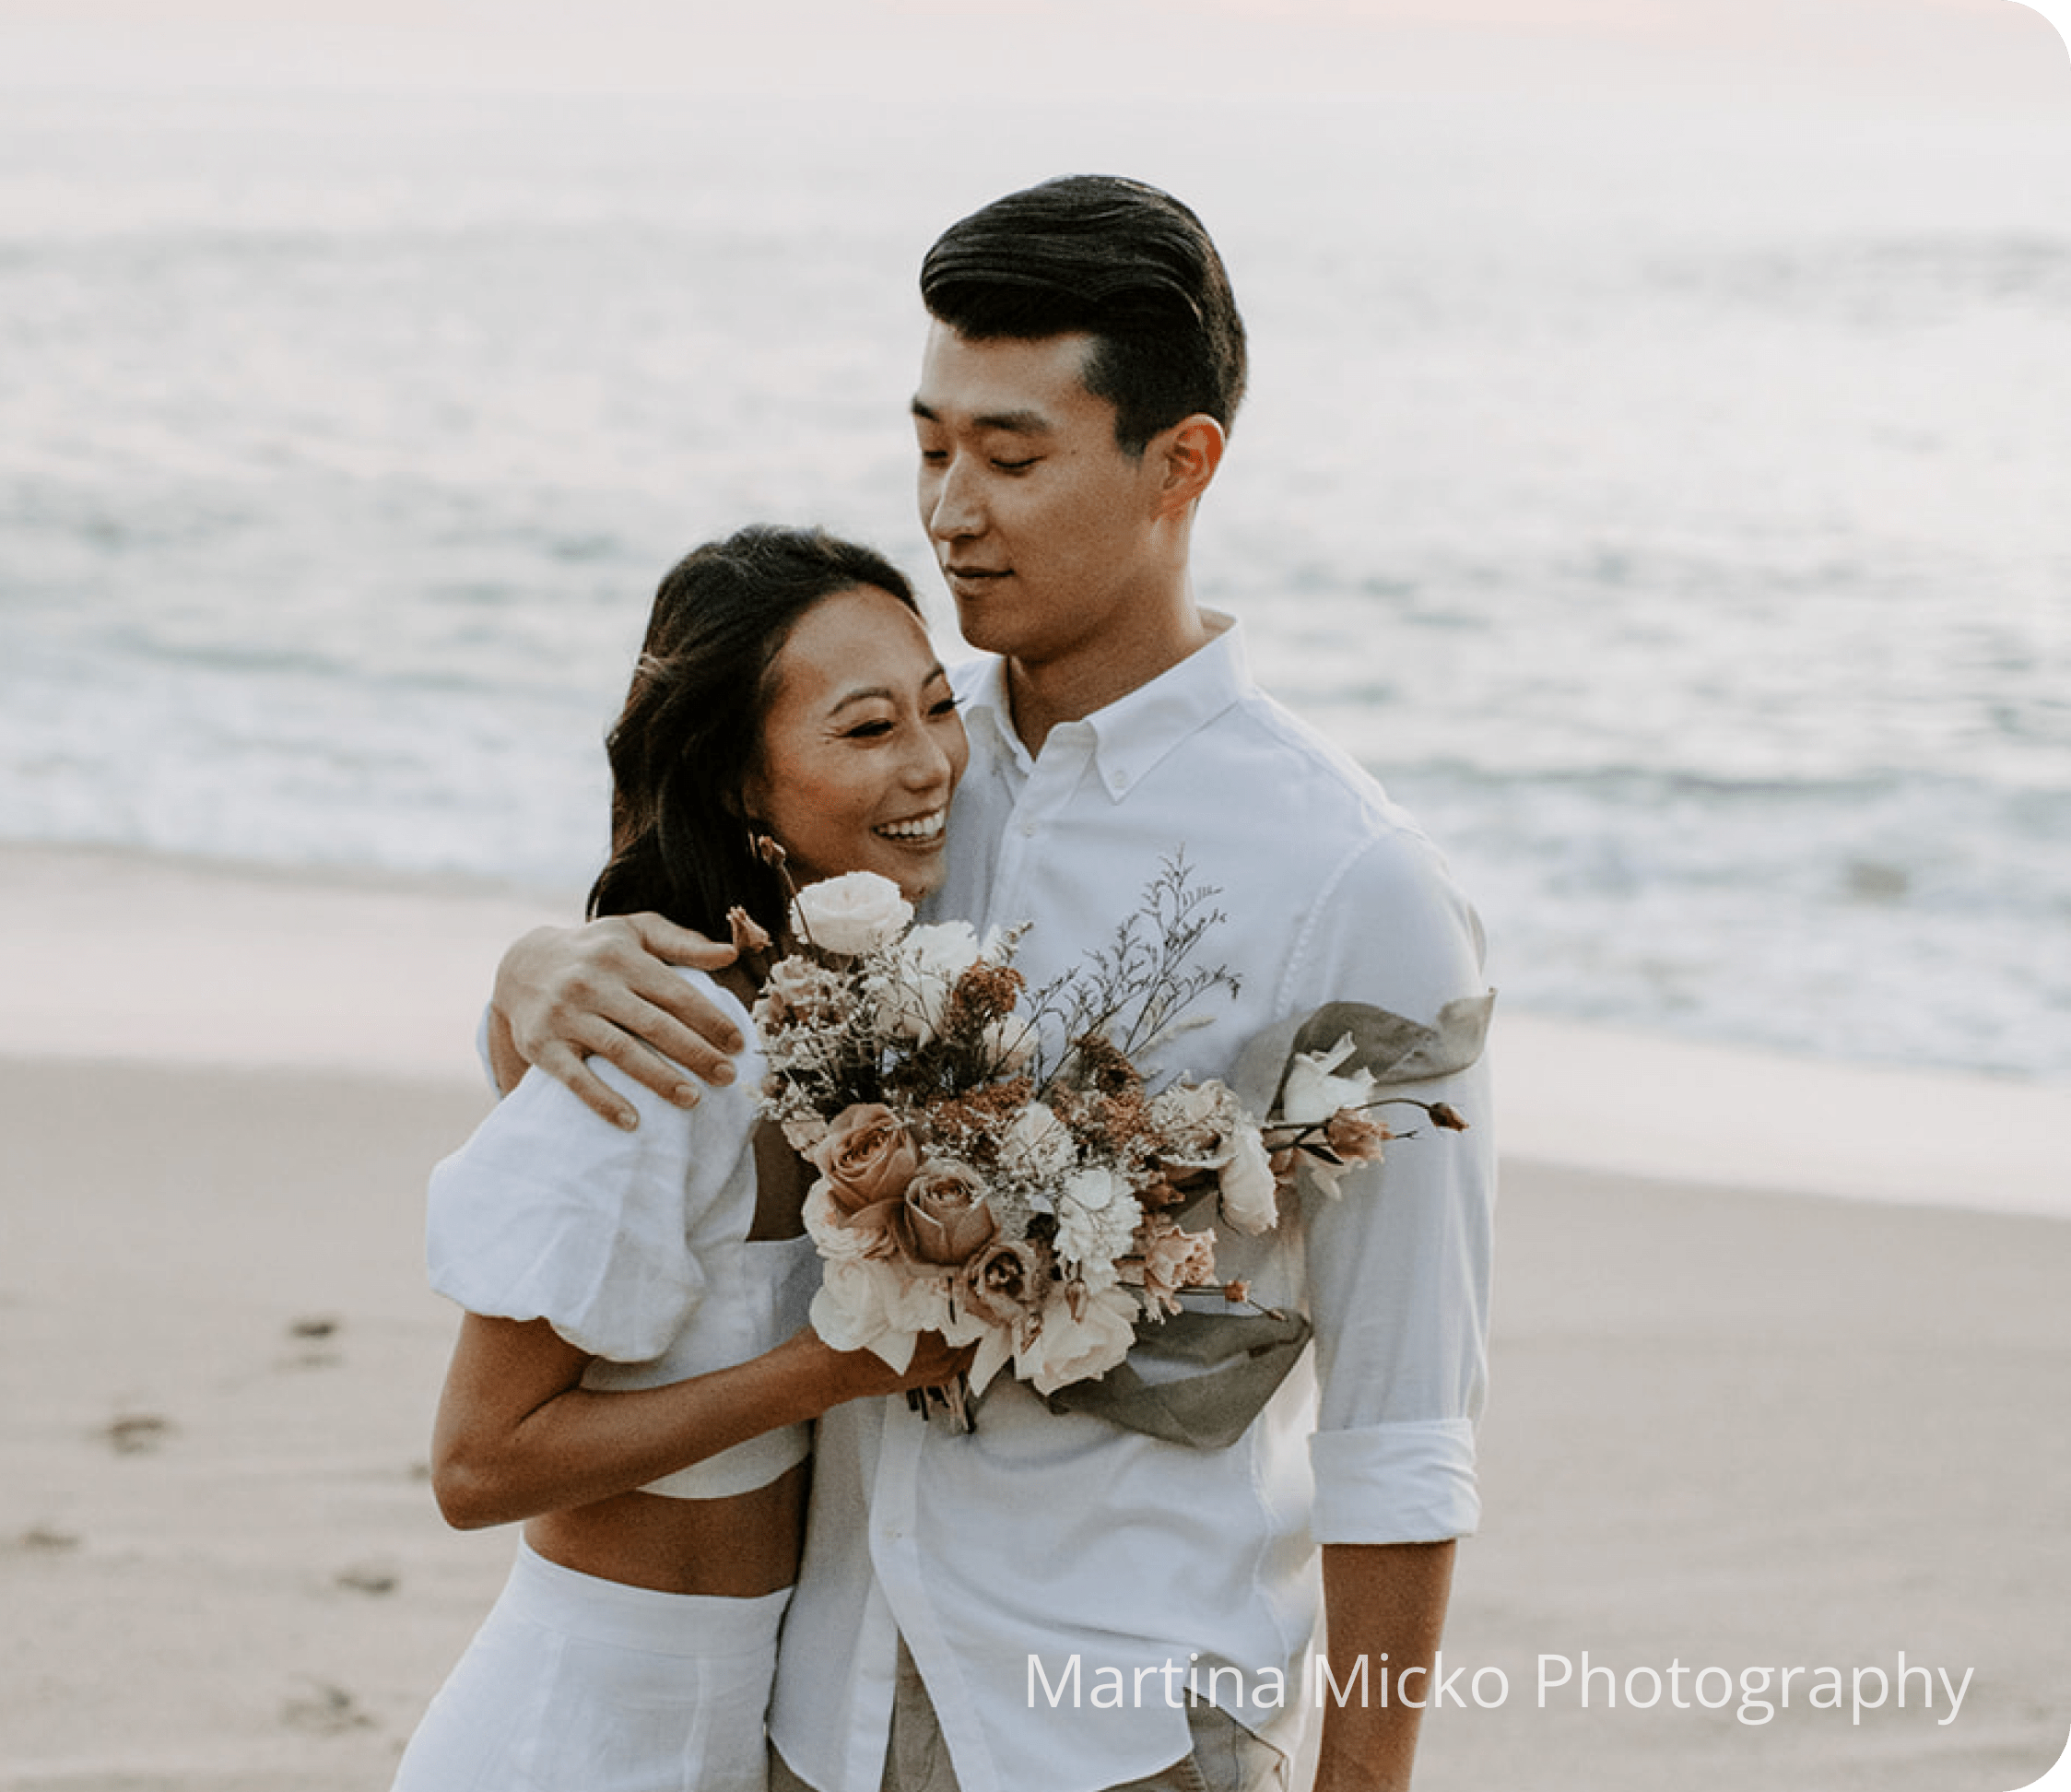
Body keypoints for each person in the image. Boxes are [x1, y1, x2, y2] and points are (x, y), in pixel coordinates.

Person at [488, 178, 1494, 1792]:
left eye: (1011, 458)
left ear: (1184, 463)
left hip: (1123, 1723)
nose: (951, 507)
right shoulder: (883, 776)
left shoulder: (1351, 883)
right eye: (931, 446)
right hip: (810, 1702)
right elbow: (651, 1064)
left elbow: (1403, 1417)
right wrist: (535, 971)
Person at [393, 525, 974, 1792]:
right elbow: (476, 1464)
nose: (932, 762)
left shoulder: (843, 1024)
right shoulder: (669, 1034)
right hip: (577, 1730)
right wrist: (821, 1374)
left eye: (942, 706)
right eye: (868, 729)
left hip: (738, 1719)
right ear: (735, 781)